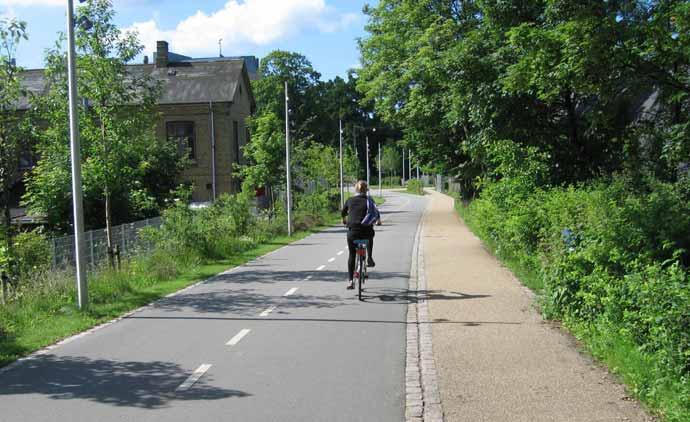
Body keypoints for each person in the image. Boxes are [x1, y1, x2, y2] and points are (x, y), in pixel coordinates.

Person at [341, 180, 380, 289]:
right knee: (370, 234)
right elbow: (376, 213)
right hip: (366, 232)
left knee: (352, 255)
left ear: (356, 189)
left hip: (353, 233)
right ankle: (370, 258)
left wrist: (344, 220)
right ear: (366, 190)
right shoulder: (369, 200)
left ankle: (350, 281)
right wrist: (378, 221)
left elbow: (343, 212)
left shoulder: (350, 200)